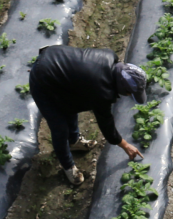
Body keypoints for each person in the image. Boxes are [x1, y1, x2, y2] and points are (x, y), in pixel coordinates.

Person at [29, 45, 148, 185]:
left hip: (57, 64)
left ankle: (74, 141)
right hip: (42, 77)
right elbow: (106, 124)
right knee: (59, 127)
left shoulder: (110, 58)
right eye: (129, 93)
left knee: (71, 105)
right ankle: (68, 166)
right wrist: (125, 145)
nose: (128, 96)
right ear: (122, 87)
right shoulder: (102, 90)